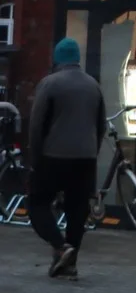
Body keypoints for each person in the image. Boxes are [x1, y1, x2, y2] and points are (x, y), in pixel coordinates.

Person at [27, 38, 106, 280]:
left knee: (37, 204)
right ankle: (69, 265)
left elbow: (37, 125)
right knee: (77, 210)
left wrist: (35, 158)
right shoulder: (93, 85)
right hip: (85, 157)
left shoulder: (50, 84)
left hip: (54, 155)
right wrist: (92, 152)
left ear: (57, 58)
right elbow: (101, 124)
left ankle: (61, 247)